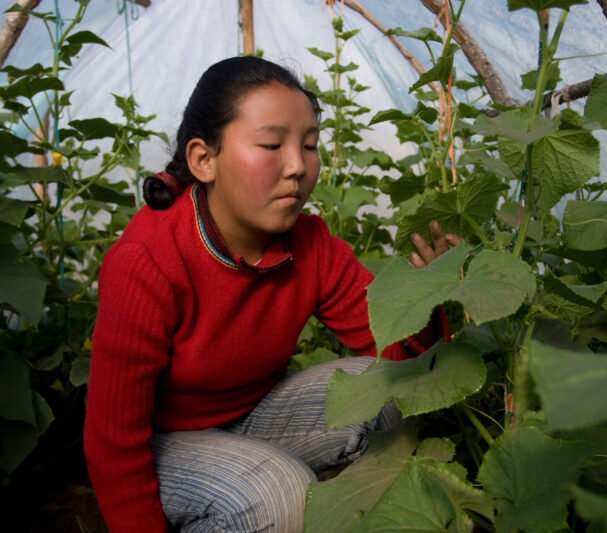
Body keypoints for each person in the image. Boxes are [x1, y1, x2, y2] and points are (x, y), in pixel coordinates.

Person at [83, 56, 460, 533]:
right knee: (282, 493)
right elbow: (111, 440)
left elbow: (388, 346)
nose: (297, 167)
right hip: (163, 444)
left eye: (309, 145)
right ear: (204, 159)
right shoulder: (146, 262)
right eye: (271, 144)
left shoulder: (311, 244)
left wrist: (425, 298)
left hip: (255, 417)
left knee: (386, 390)